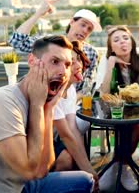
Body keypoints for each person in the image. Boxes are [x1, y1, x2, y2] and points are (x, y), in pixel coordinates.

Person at [0, 35, 94, 193]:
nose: (63, 72)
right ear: (32, 61)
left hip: (19, 185)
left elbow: (43, 170)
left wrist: (49, 109)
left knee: (86, 181)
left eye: (67, 65)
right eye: (55, 61)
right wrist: (38, 105)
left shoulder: (44, 102)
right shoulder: (1, 101)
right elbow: (30, 171)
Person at [95, 26, 139, 191]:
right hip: (113, 110)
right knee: (121, 123)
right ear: (111, 47)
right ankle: (121, 165)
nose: (122, 42)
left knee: (138, 125)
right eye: (116, 40)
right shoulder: (107, 61)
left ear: (132, 42)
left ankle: (119, 164)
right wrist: (111, 64)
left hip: (136, 109)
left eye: (125, 38)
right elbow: (103, 92)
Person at [9, 0, 102, 91]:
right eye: (83, 25)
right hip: (42, 97)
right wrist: (38, 14)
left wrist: (72, 101)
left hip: (73, 102)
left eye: (89, 29)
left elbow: (88, 84)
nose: (85, 30)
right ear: (72, 22)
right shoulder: (50, 42)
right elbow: (17, 42)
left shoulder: (91, 52)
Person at [52, 40, 99, 190]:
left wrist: (88, 168)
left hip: (51, 141)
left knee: (72, 158)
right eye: (71, 63)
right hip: (28, 142)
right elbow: (66, 135)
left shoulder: (70, 90)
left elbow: (73, 129)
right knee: (66, 158)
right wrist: (88, 170)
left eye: (78, 59)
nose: (79, 66)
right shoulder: (54, 90)